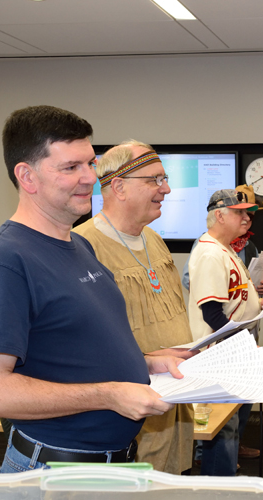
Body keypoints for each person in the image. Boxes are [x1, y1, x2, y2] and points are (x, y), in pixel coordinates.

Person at [0, 106, 191, 473]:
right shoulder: (5, 260)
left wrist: (147, 364)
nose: (89, 178)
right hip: (55, 470)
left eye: (90, 164)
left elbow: (72, 352)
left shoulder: (79, 246)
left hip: (109, 465)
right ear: (27, 176)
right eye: (71, 168)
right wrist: (109, 395)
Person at [73, 140, 195, 474]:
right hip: (129, 412)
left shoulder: (153, 238)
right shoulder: (83, 247)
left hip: (173, 399)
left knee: (169, 496)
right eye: (154, 180)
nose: (166, 189)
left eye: (165, 178)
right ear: (119, 187)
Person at [187, 189, 263, 475]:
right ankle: (219, 489)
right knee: (223, 428)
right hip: (219, 353)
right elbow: (212, 313)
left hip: (231, 349)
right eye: (240, 212)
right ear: (219, 215)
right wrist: (241, 344)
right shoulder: (208, 252)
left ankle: (224, 480)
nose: (247, 218)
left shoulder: (225, 248)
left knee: (230, 425)